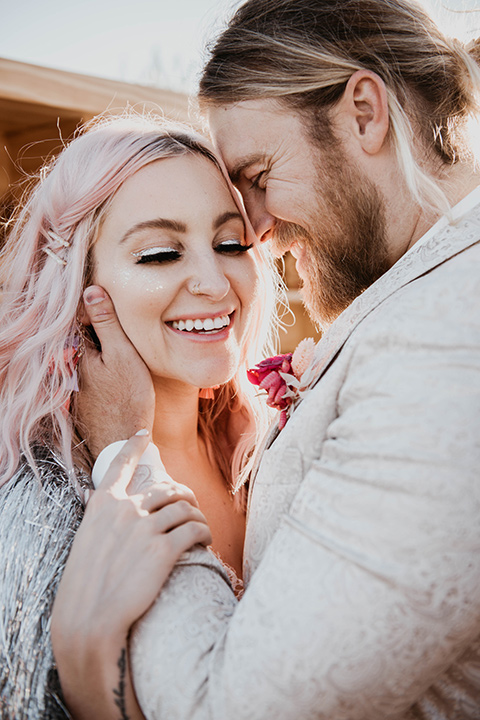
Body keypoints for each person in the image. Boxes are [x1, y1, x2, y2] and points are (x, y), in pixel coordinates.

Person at [51, 0, 480, 718]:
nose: (255, 233)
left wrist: (131, 449)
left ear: (365, 113)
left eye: (257, 175)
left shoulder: (443, 342)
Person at [0, 112, 280, 719]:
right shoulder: (39, 503)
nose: (213, 282)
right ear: (78, 286)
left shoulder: (275, 449)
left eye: (231, 243)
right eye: (158, 254)